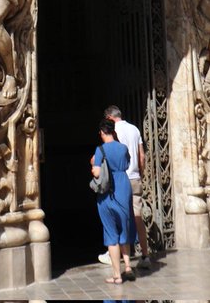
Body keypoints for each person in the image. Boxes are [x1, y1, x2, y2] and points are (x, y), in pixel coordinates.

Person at [98, 105, 151, 270]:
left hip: (119, 180)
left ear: (109, 118)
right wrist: (139, 174)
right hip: (134, 178)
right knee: (137, 218)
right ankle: (145, 255)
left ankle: (113, 253)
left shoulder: (113, 132)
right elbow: (141, 155)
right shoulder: (135, 129)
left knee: (116, 217)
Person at [91, 118, 137, 284]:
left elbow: (97, 173)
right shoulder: (123, 148)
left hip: (107, 193)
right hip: (123, 188)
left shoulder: (100, 150)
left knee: (111, 234)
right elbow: (126, 164)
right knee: (124, 228)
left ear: (102, 133)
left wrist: (93, 165)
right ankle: (129, 267)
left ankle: (117, 275)